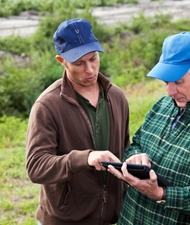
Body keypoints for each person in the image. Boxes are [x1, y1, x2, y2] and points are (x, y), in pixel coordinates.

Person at [106, 31, 190, 225]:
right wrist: (135, 157)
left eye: (178, 82)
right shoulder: (163, 104)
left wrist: (162, 194)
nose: (170, 91)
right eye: (166, 82)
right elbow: (137, 144)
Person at [25, 18, 130, 225]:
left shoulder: (117, 96)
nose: (89, 69)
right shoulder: (47, 106)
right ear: (61, 60)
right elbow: (36, 167)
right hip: (65, 220)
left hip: (112, 218)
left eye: (93, 58)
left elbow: (124, 148)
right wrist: (85, 158)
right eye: (79, 63)